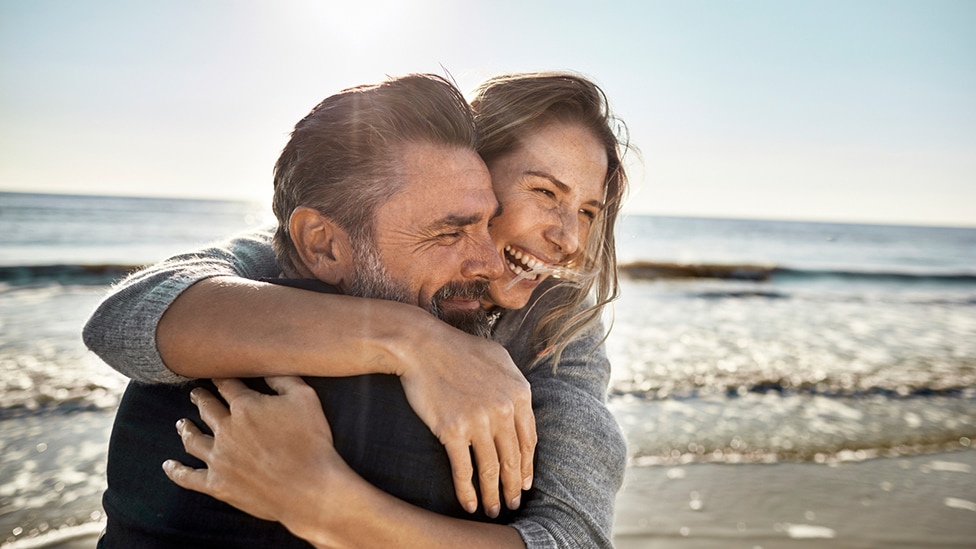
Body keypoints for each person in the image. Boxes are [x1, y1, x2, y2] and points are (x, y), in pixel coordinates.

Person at [85, 71, 631, 548]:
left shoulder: (559, 323)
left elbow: (572, 534)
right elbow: (125, 318)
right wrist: (415, 340)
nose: (569, 239)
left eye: (588, 210)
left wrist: (320, 501)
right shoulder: (307, 251)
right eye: (545, 193)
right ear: (475, 173)